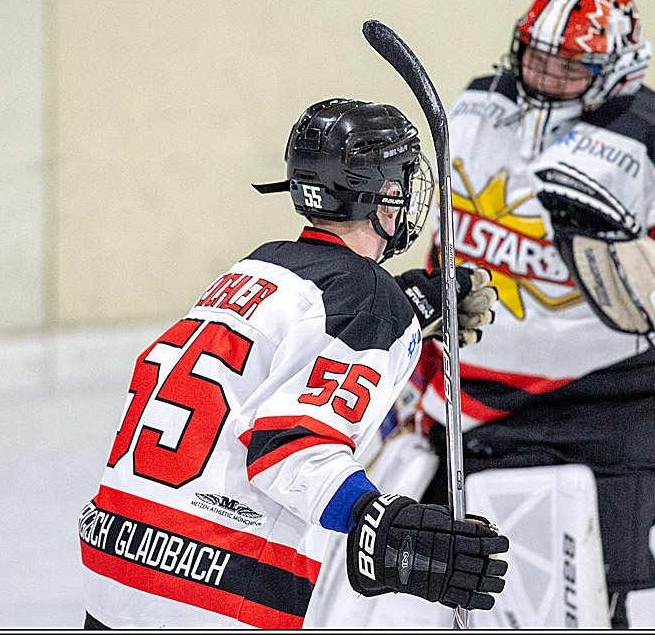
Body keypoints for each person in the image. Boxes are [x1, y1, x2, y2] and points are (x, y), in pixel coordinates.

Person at [405, 0, 655, 628]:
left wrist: (643, 262)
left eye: (568, 67)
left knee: (577, 607)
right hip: (466, 407)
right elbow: (445, 240)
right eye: (535, 56)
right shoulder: (476, 105)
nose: (543, 76)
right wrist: (422, 358)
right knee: (447, 598)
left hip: (605, 412)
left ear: (617, 68)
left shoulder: (654, 132)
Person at [77, 98, 506, 629]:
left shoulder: (256, 266)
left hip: (114, 556)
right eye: (401, 182)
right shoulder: (367, 300)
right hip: (211, 585)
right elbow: (290, 448)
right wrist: (380, 521)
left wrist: (409, 307)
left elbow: (295, 348)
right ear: (383, 194)